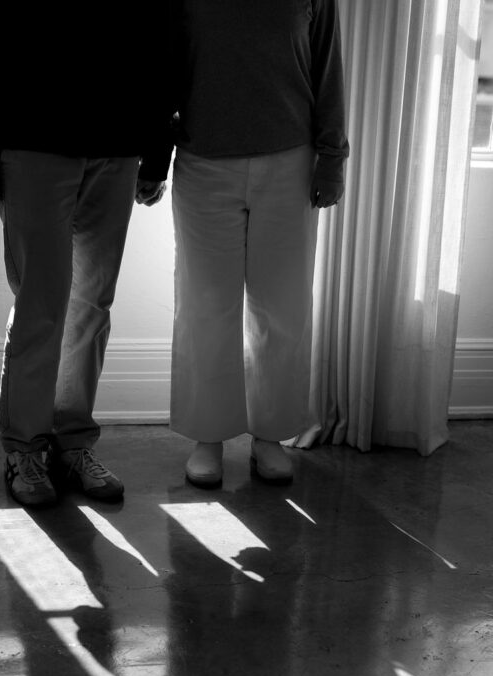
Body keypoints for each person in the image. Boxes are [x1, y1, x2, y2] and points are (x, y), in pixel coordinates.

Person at [0, 4, 170, 508]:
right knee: (42, 304)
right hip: (32, 140)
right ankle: (25, 447)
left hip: (118, 142)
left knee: (91, 306)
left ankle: (72, 444)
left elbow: (159, 41)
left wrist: (155, 151)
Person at [163, 0, 349, 487]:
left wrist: (332, 156)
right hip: (203, 163)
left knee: (280, 309)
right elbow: (166, 66)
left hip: (290, 160)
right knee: (206, 307)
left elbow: (327, 67)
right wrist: (153, 156)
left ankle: (269, 437)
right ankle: (209, 437)